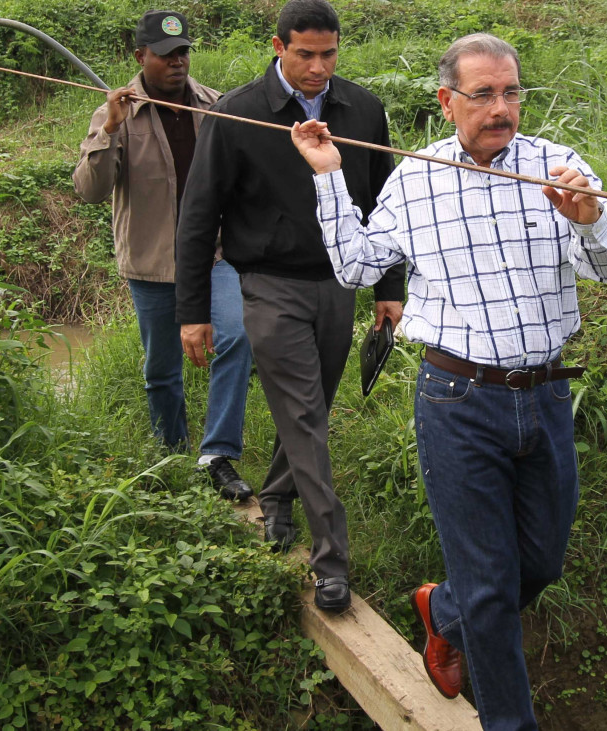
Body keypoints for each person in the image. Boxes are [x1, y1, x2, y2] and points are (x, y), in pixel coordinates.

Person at [290, 32, 607, 730]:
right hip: (457, 401)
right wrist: (328, 173)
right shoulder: (415, 178)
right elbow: (358, 268)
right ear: (448, 102)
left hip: (545, 393)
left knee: (540, 562)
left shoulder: (558, 167)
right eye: (483, 95)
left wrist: (592, 218)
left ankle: (441, 608)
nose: (500, 107)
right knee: (489, 588)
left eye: (510, 92)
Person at [174, 0, 404, 613]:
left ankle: (276, 497)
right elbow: (198, 216)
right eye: (305, 53)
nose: (318, 66)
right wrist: (191, 309)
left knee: (312, 406)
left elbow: (386, 204)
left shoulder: (362, 109)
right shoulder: (238, 115)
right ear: (278, 47)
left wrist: (388, 288)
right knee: (306, 417)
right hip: (269, 284)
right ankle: (332, 559)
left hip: (340, 283)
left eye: (329, 53)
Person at [72, 11, 255, 501]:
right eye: (166, 54)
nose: (178, 62)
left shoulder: (216, 106)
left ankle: (217, 455)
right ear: (140, 56)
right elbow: (90, 191)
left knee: (236, 336)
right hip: (152, 262)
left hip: (215, 256)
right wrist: (108, 128)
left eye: (183, 53)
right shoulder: (118, 113)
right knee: (162, 366)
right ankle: (170, 452)